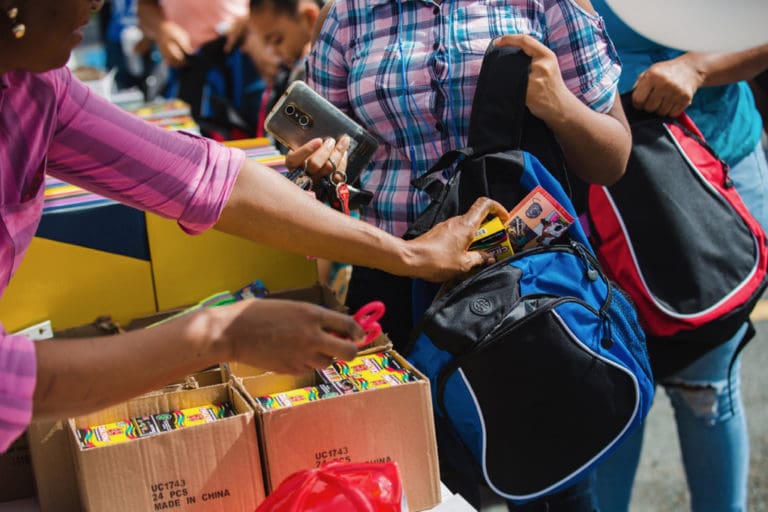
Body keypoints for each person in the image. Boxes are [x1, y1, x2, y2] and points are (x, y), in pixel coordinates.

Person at [0, 0, 507, 454]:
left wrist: (407, 254)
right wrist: (220, 334)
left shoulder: (36, 86)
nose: (101, 3)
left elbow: (206, 178)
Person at [290, 0, 633, 509]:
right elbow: (327, 156)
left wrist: (560, 103)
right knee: (412, 480)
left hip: (525, 284)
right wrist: (319, 167)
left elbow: (614, 157)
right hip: (392, 281)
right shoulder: (349, 13)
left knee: (549, 480)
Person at [588, 3, 768, 511]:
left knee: (704, 391)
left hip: (708, 180)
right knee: (611, 395)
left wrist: (697, 67)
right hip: (593, 191)